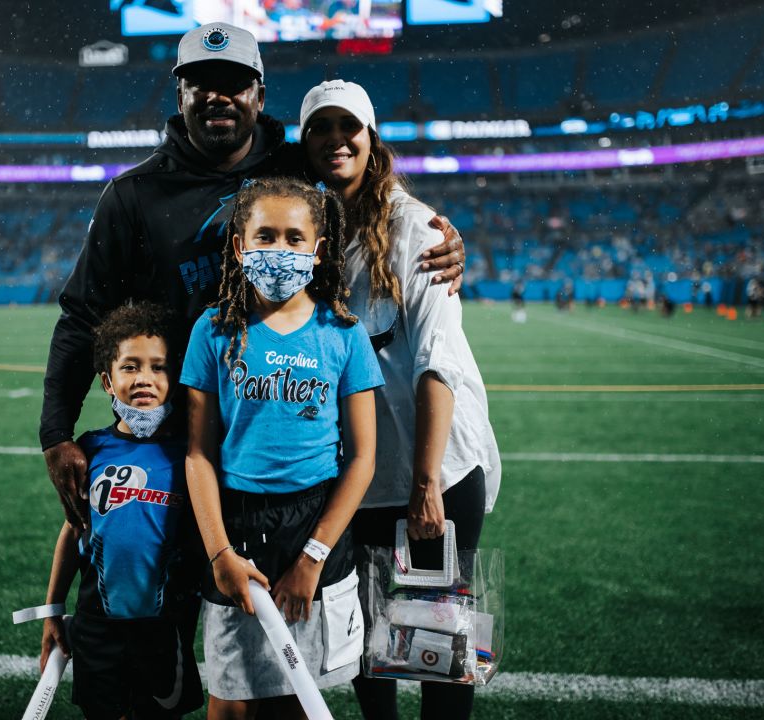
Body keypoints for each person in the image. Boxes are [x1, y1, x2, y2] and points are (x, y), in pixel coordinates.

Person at [41, 20, 464, 540]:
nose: (218, 97)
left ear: (259, 96)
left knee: (288, 605)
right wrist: (55, 432)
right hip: (176, 437)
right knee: (165, 602)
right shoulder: (133, 195)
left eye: (235, 84)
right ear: (181, 94)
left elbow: (367, 181)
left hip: (283, 439)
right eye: (201, 84)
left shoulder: (296, 167)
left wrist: (429, 230)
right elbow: (84, 313)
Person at [298, 79, 501, 720]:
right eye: (320, 129)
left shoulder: (417, 229)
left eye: (347, 127)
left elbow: (437, 362)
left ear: (371, 137)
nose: (335, 140)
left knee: (438, 648)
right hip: (355, 474)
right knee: (359, 640)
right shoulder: (308, 234)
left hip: (431, 470)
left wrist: (425, 484)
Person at [180, 177, 383, 717]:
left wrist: (314, 557)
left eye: (294, 238)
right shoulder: (212, 330)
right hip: (236, 524)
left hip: (315, 526)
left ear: (318, 252)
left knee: (304, 699)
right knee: (230, 701)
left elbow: (362, 457)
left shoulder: (342, 332)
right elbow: (198, 453)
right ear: (240, 246)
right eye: (264, 236)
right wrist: (220, 554)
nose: (279, 250)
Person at [37, 301, 204, 720]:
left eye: (158, 367)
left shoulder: (190, 456)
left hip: (165, 632)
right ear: (107, 381)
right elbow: (73, 530)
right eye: (130, 367)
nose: (144, 379)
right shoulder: (89, 449)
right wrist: (53, 609)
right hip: (96, 631)